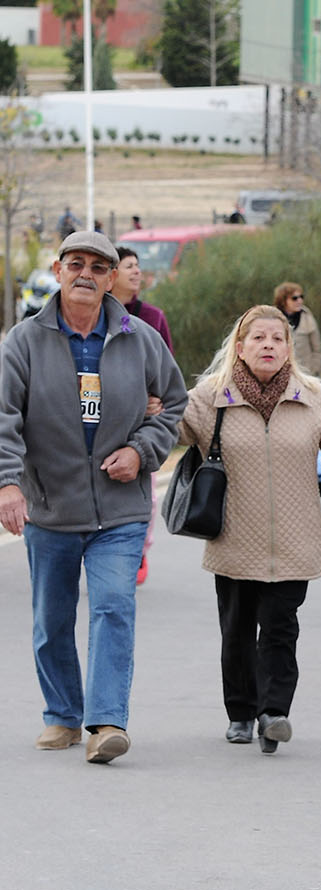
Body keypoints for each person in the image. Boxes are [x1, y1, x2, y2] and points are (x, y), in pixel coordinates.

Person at [0, 231, 187, 763]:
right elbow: (4, 418)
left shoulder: (140, 338)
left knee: (113, 606)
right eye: (75, 263)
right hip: (50, 506)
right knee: (51, 619)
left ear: (111, 279)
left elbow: (173, 403)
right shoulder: (23, 341)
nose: (86, 273)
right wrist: (9, 482)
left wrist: (142, 450)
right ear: (58, 271)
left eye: (98, 267)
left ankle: (105, 722)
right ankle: (61, 714)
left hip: (120, 507)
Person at [178, 305, 321, 753]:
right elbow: (172, 431)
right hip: (234, 538)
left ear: (289, 349)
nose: (268, 345)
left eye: (277, 339)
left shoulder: (313, 397)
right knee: (237, 631)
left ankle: (274, 712)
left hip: (295, 541)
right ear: (239, 348)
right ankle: (240, 713)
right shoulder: (209, 398)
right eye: (258, 338)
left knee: (281, 628)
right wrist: (149, 404)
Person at [111, 245, 174, 587]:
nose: (136, 271)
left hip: (142, 424)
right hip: (101, 421)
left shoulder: (153, 317)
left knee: (145, 495)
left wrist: (157, 400)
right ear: (111, 274)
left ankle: (138, 551)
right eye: (128, 265)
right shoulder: (94, 316)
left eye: (138, 265)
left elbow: (168, 371)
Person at [274, 281, 321, 378]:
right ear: (283, 300)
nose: (299, 301)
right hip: (278, 374)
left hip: (305, 374)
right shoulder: (273, 317)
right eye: (294, 298)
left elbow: (317, 349)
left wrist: (314, 370)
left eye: (301, 297)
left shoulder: (307, 317)